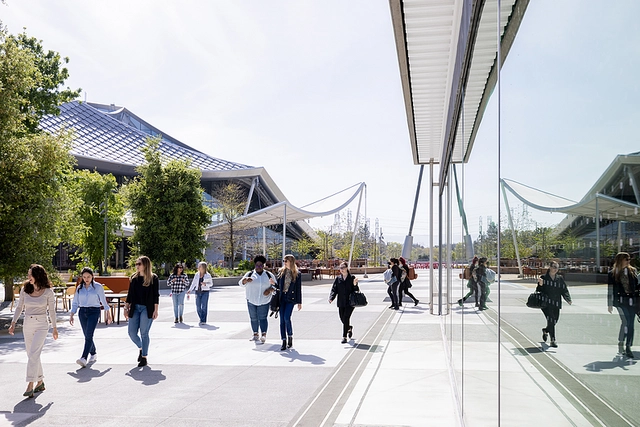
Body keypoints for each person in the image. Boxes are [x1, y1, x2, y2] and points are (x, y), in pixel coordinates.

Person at [8, 264, 58, 398]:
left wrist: (54, 328)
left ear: (38, 276)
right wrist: (13, 323)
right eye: (28, 274)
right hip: (28, 324)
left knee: (34, 354)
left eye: (31, 274)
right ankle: (40, 381)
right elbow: (19, 307)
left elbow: (52, 311)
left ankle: (30, 384)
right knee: (32, 355)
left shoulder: (48, 292)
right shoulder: (25, 289)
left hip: (42, 324)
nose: (28, 277)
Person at [69, 267, 112, 368]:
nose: (86, 279)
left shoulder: (98, 287)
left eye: (88, 277)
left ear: (92, 276)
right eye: (84, 277)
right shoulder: (79, 288)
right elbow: (75, 302)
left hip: (94, 311)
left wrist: (108, 313)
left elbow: (103, 300)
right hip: (82, 312)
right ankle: (93, 353)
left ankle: (84, 357)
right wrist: (72, 314)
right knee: (87, 335)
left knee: (89, 334)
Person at [124, 256, 159, 367]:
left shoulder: (153, 278)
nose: (137, 266)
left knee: (144, 333)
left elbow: (155, 296)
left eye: (139, 264)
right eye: (136, 264)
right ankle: (141, 348)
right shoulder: (134, 278)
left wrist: (156, 310)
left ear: (145, 265)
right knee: (131, 333)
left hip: (147, 308)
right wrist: (126, 308)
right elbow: (130, 295)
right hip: (135, 308)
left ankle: (144, 357)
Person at [239, 255, 276, 343]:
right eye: (257, 265)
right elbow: (241, 283)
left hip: (264, 300)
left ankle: (263, 334)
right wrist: (245, 280)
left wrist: (270, 290)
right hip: (251, 300)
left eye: (260, 265)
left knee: (263, 318)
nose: (258, 267)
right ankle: (255, 334)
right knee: (253, 318)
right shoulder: (250, 274)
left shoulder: (268, 275)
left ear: (263, 266)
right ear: (255, 265)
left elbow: (275, 286)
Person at [608, 252, 638, 358]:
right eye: (626, 259)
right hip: (620, 301)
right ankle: (621, 342)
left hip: (632, 301)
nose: (628, 261)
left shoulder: (632, 271)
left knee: (631, 324)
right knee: (626, 322)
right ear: (620, 260)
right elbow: (610, 289)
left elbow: (637, 286)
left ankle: (628, 346)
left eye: (629, 259)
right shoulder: (613, 273)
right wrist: (610, 304)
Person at [537, 261, 572, 348]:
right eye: (554, 267)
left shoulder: (559, 278)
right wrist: (540, 284)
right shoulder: (544, 277)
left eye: (557, 267)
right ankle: (553, 340)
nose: (555, 269)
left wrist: (568, 299)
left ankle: (545, 330)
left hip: (556, 303)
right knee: (551, 320)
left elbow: (564, 289)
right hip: (546, 303)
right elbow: (538, 290)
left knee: (555, 320)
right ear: (550, 267)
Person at [329, 262, 359, 343]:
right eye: (340, 268)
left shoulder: (352, 278)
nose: (341, 269)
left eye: (343, 267)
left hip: (350, 302)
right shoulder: (338, 278)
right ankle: (349, 328)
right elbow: (334, 289)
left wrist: (355, 284)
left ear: (347, 268)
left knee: (346, 317)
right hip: (341, 302)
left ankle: (344, 336)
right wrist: (331, 297)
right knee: (342, 318)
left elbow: (356, 290)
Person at [277, 254, 302, 351]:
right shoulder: (281, 272)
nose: (284, 262)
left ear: (291, 262)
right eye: (284, 261)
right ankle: (283, 340)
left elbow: (298, 289)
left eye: (286, 261)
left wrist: (299, 302)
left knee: (287, 317)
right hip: (281, 297)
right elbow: (277, 285)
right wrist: (272, 283)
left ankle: (290, 336)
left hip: (290, 298)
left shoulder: (297, 274)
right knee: (281, 320)